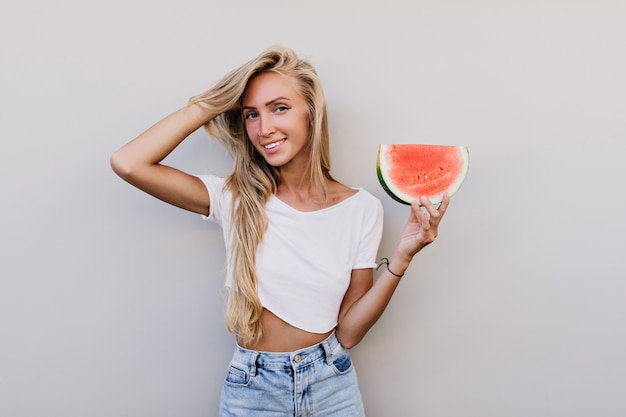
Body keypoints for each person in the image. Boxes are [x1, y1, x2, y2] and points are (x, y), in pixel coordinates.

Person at [110, 46, 449, 416]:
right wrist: (212, 103)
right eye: (251, 114)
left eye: (280, 108)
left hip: (331, 383)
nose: (264, 128)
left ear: (311, 114)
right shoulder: (236, 198)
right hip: (252, 389)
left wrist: (403, 256)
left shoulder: (362, 208)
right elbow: (128, 163)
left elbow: (349, 332)